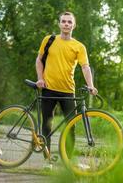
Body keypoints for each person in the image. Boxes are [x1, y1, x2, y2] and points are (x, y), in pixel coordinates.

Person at [35, 11, 98, 162]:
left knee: (71, 128)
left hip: (68, 92)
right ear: (59, 24)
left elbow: (85, 67)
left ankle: (67, 163)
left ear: (74, 25)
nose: (66, 24)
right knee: (47, 126)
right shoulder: (49, 40)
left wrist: (90, 85)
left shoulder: (79, 47)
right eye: (63, 21)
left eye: (69, 22)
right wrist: (40, 78)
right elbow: (39, 60)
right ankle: (47, 160)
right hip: (48, 89)